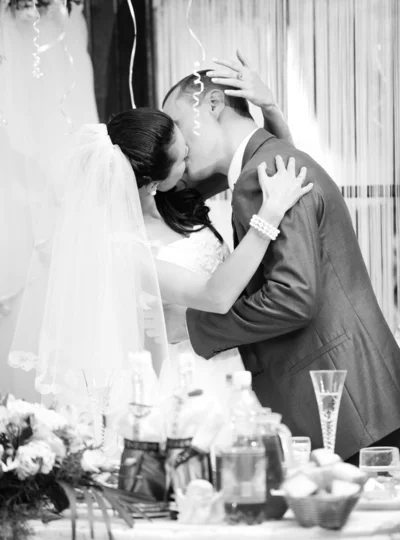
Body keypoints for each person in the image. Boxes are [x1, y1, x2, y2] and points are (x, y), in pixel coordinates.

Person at [162, 51, 400, 462]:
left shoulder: (263, 175)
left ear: (214, 105)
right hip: (361, 396)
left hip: (347, 407)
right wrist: (269, 109)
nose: (177, 144)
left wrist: (193, 325)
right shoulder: (269, 161)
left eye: (179, 126)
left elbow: (292, 298)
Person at [9, 106, 311, 411]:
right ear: (153, 183)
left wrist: (273, 115)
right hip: (184, 380)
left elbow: (257, 164)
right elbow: (215, 295)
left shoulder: (178, 194)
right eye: (182, 157)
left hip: (233, 360)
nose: (190, 152)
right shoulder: (122, 248)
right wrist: (269, 215)